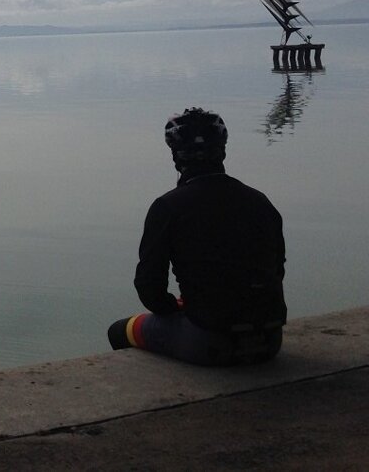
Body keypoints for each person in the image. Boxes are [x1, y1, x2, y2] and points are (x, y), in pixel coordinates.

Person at [107, 107, 286, 365]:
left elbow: (149, 287)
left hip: (208, 341)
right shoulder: (260, 202)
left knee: (119, 330)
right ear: (222, 151)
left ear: (176, 157)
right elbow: (276, 271)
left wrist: (176, 307)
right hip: (269, 341)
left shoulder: (167, 207)